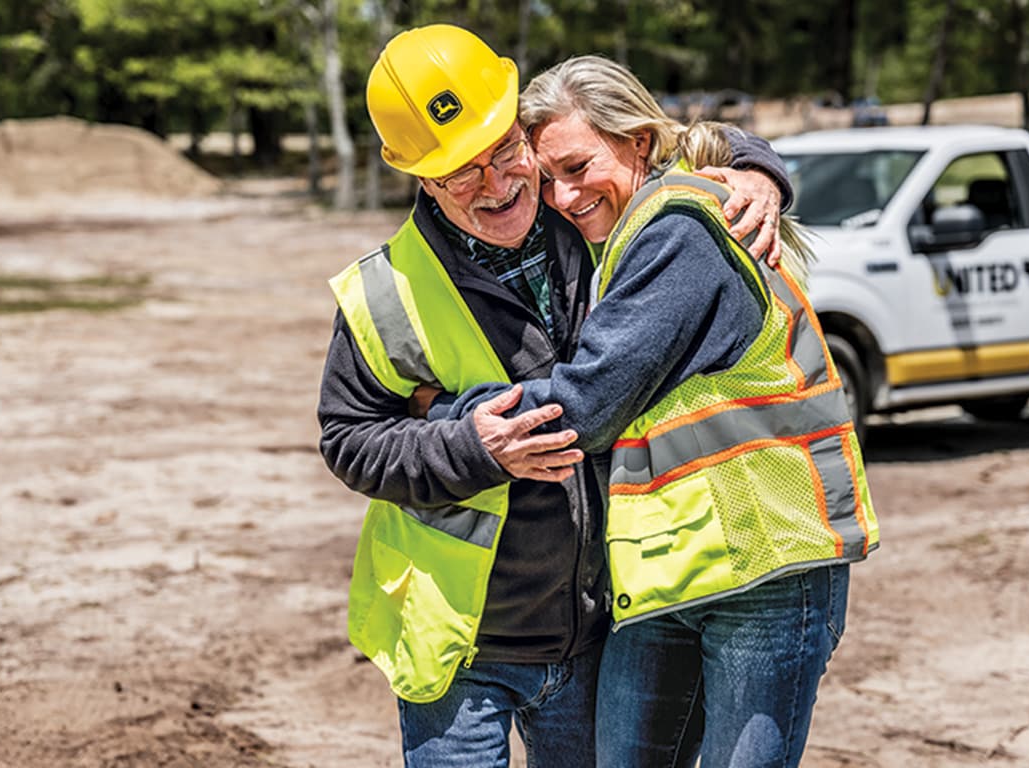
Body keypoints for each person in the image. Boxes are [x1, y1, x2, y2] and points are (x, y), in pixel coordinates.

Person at [316, 24, 793, 768]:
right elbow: (348, 437)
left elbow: (658, 144)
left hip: (592, 631)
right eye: (459, 175)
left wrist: (757, 167)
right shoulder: (383, 292)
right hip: (459, 644)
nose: (498, 185)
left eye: (506, 152)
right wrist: (469, 443)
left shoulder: (586, 218)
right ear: (418, 177)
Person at [430, 55, 881, 767]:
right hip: (673, 579)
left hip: (764, 569)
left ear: (637, 141)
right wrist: (755, 159)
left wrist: (455, 416)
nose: (564, 196)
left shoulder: (682, 232)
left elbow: (588, 404)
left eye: (578, 167)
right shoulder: (626, 236)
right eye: (548, 179)